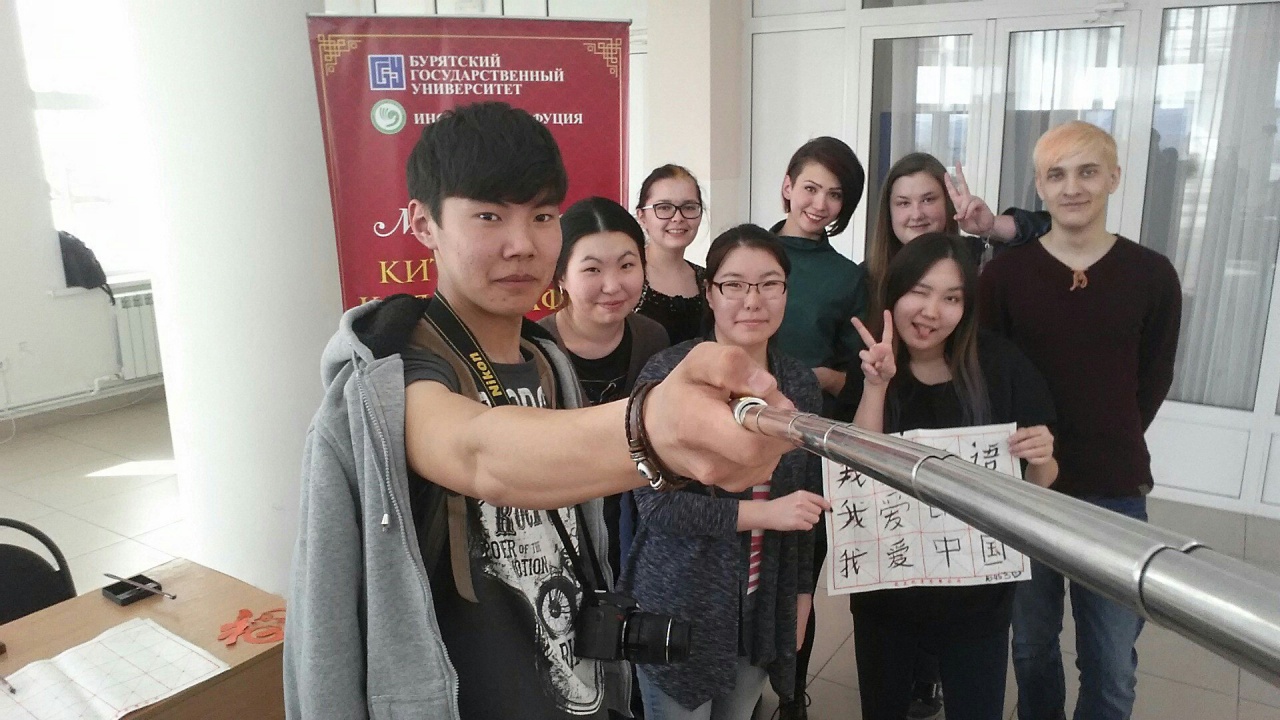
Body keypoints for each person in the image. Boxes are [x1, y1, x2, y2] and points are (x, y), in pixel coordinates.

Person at [284, 102, 797, 720]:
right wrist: (655, 427)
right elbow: (478, 451)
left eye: (543, 216)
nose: (522, 245)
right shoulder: (398, 370)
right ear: (423, 223)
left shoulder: (548, 363)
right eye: (488, 216)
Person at [978, 120, 1183, 720]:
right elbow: (989, 376)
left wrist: (1112, 433)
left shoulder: (1152, 275)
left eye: (1087, 172)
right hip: (1027, 493)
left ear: (1113, 178)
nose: (1072, 188)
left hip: (1115, 492)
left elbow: (1153, 378)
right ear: (1040, 187)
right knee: (1032, 648)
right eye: (1057, 175)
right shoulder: (1004, 277)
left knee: (1112, 664)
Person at [847, 232, 1058, 720]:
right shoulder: (868, 361)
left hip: (977, 595)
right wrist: (876, 386)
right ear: (894, 293)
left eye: (951, 298)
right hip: (887, 589)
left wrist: (1042, 458)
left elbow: (1039, 485)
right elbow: (855, 469)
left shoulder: (1000, 365)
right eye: (919, 292)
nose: (931, 312)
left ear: (967, 307)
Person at [621, 224, 828, 720]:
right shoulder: (668, 374)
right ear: (709, 292)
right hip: (679, 603)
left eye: (769, 284)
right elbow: (656, 506)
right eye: (734, 284)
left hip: (760, 609)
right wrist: (763, 515)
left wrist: (800, 597)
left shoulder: (799, 383)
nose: (752, 301)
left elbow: (805, 506)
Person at [768, 135, 867, 719]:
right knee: (738, 572)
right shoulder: (747, 250)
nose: (820, 203)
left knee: (801, 577)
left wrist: (822, 378)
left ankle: (791, 695)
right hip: (738, 438)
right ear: (787, 186)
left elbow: (857, 377)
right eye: (810, 187)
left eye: (835, 195)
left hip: (809, 448)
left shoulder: (847, 277)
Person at [539, 196, 671, 579]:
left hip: (632, 525)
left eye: (627, 265)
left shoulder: (653, 338)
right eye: (592, 269)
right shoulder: (534, 349)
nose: (613, 285)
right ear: (561, 276)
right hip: (557, 529)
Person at [633, 164, 708, 345]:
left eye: (689, 207)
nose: (678, 218)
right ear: (642, 216)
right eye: (664, 207)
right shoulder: (627, 277)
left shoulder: (709, 281)